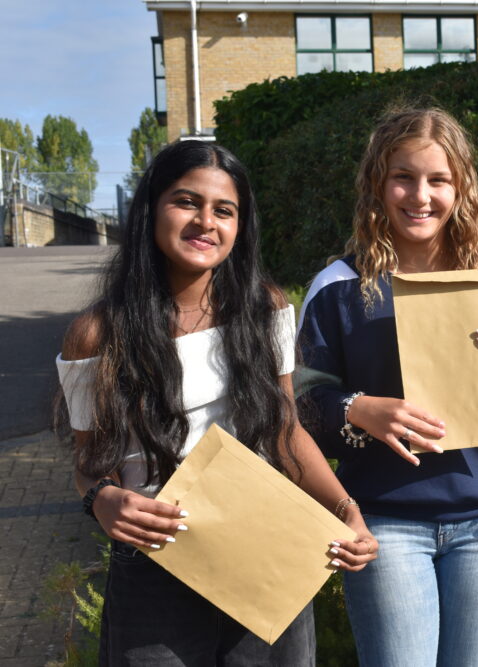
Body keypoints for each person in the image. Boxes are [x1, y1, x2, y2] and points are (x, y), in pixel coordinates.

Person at [56, 140, 377, 665]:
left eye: (224, 210)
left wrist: (346, 510)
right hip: (154, 561)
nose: (205, 221)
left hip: (266, 547)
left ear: (239, 227)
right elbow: (89, 459)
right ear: (152, 209)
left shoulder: (264, 310)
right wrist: (102, 499)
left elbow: (285, 430)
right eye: (186, 202)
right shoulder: (96, 335)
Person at [295, 107, 478, 667]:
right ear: (377, 185)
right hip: (385, 523)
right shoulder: (338, 286)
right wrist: (360, 410)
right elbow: (301, 410)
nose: (420, 195)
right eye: (403, 177)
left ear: (461, 188)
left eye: (438, 180)